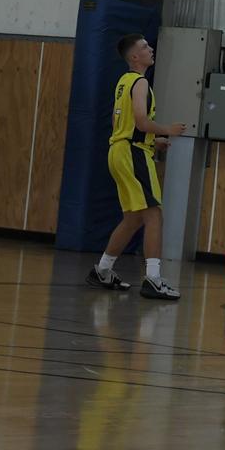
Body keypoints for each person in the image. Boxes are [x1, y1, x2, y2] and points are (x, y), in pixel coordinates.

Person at [85, 34, 187, 300]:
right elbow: (141, 122)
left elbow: (129, 125)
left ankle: (103, 270)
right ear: (134, 57)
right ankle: (153, 279)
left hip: (119, 151)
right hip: (132, 153)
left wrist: (154, 141)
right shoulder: (140, 82)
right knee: (154, 215)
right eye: (144, 47)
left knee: (132, 218)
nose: (150, 48)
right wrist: (168, 130)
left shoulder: (124, 82)